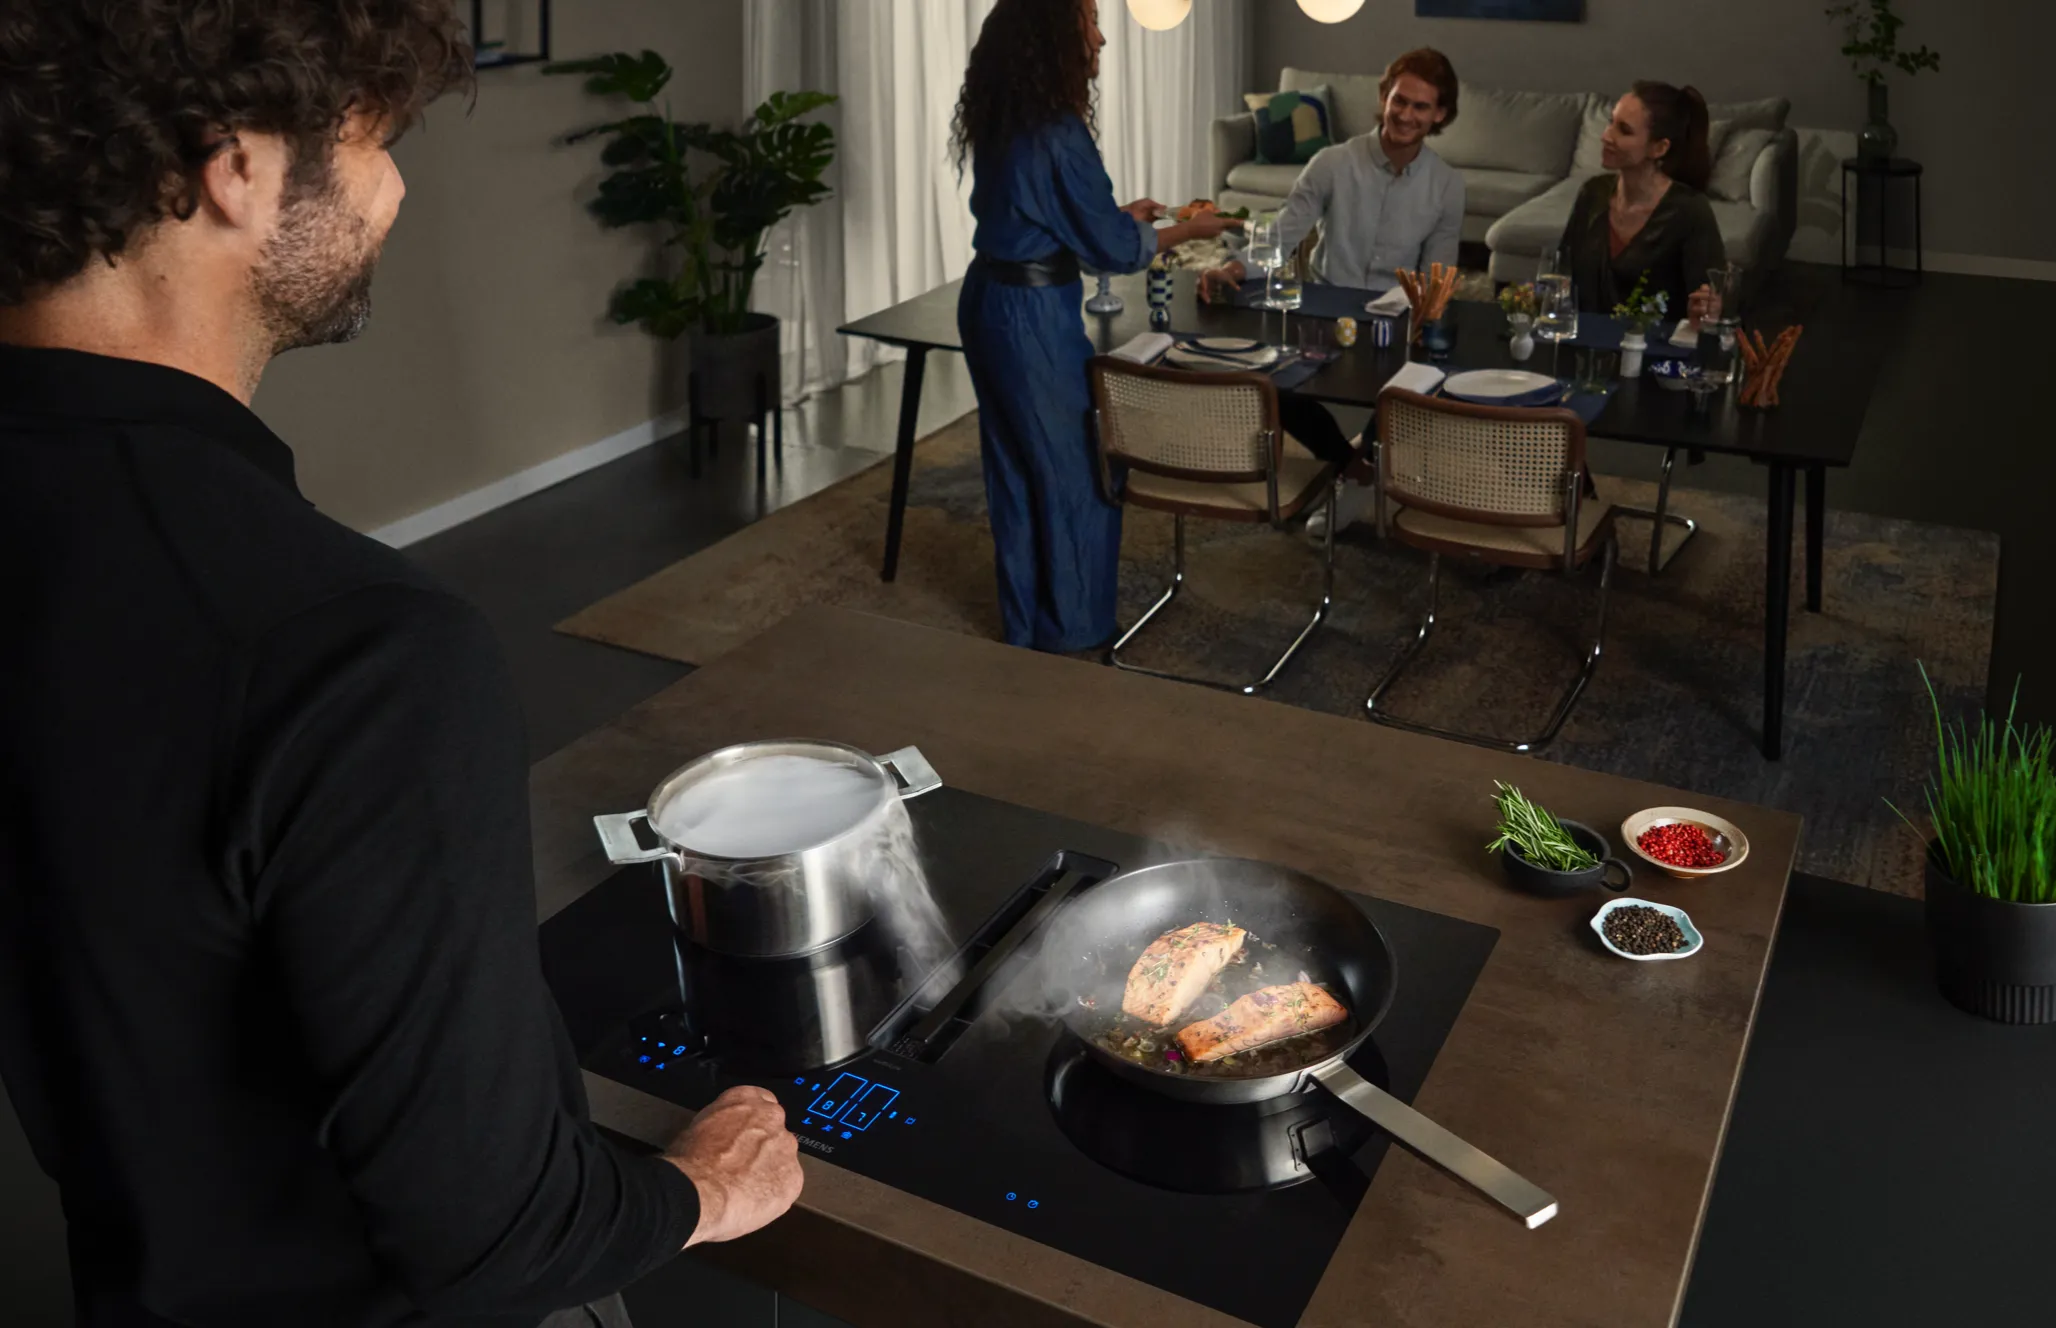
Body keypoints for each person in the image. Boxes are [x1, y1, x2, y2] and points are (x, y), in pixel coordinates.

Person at [0, 4, 802, 1326]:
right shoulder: (351, 652)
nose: (395, 187)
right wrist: (703, 1190)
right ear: (235, 162)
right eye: (371, 137)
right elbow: (496, 1239)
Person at [953, 0, 1238, 654]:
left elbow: (1045, 212)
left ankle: (1026, 623)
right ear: (1057, 35)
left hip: (987, 298)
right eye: (1090, 21)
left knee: (1015, 467)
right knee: (1077, 470)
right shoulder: (1057, 129)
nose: (1102, 36)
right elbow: (1112, 250)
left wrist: (1115, 215)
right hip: (1030, 319)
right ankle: (1076, 633)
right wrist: (1189, 230)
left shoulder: (1005, 114)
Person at [1197, 48, 1467, 529]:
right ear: (1384, 97)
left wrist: (1425, 317)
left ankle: (1361, 468)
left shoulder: (1447, 185)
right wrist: (1233, 270)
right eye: (1399, 101)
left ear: (1440, 114)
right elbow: (1280, 239)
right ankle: (1356, 470)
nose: (1406, 115)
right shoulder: (1331, 163)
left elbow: (1437, 276)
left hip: (1394, 325)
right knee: (1270, 385)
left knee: (1413, 394)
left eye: (1421, 107)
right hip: (1320, 317)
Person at [1555, 81, 1726, 324]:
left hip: (1655, 354)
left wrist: (1710, 310)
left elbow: (1710, 305)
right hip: (1585, 347)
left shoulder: (1689, 211)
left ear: (1659, 148)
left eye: (1624, 130)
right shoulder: (1592, 193)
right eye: (1610, 123)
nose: (1606, 136)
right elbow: (1562, 274)